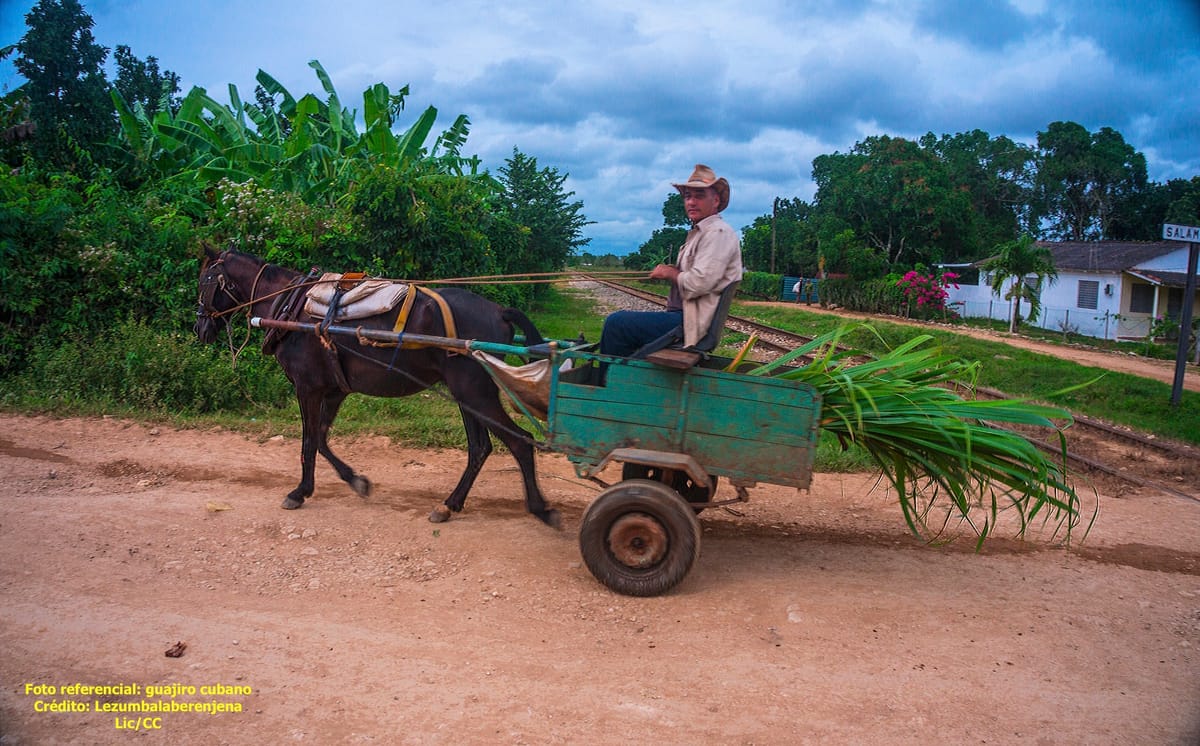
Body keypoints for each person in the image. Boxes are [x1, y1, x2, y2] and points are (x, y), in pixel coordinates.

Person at [600, 164, 744, 358]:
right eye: (687, 196)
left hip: (690, 324)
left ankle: (607, 384)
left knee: (617, 324)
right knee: (623, 327)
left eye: (699, 196)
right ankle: (622, 376)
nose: (691, 202)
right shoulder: (701, 233)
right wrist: (672, 271)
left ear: (716, 200)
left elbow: (698, 283)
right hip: (684, 318)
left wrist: (670, 273)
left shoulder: (717, 233)